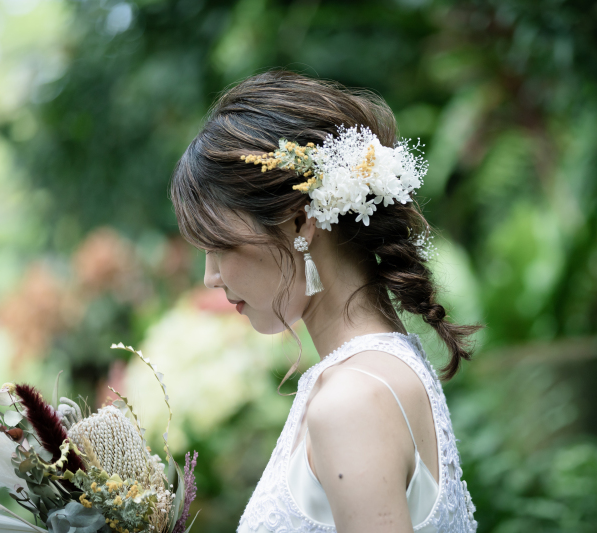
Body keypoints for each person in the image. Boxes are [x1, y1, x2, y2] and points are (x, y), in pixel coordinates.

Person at [169, 69, 483, 533]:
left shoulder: (351, 401)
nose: (210, 276)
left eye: (221, 246)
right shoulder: (381, 369)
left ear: (300, 223)